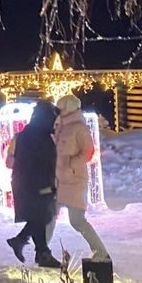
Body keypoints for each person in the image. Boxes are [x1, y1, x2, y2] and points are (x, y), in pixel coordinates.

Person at [47, 95, 110, 261]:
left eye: (61, 108)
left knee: (77, 221)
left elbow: (88, 151)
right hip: (59, 181)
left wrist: (71, 165)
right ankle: (43, 253)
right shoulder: (60, 126)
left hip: (74, 181)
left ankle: (101, 253)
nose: (58, 111)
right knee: (49, 216)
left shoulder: (80, 128)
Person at [6, 100, 61, 268]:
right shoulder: (39, 137)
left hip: (26, 182)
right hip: (35, 183)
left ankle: (32, 248)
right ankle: (39, 252)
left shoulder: (28, 133)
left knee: (39, 217)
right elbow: (40, 162)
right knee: (42, 216)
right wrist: (45, 184)